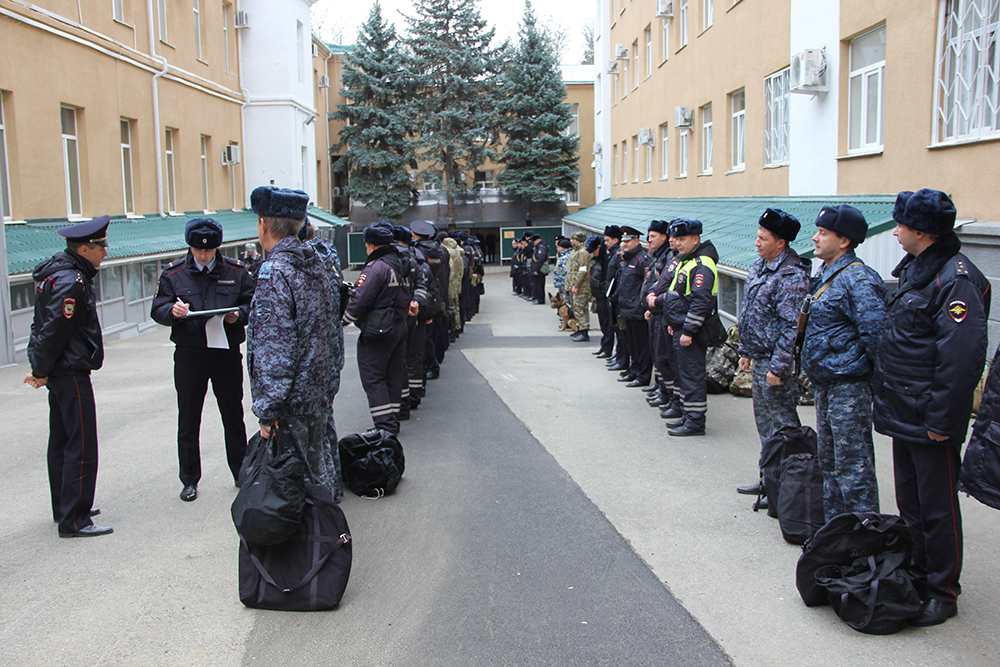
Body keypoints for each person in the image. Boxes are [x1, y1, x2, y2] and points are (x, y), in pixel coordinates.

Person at [873, 189, 991, 627]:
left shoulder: (955, 279)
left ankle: (942, 591)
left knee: (937, 508)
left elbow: (961, 359)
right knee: (913, 502)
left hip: (931, 418)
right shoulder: (918, 271)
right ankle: (918, 572)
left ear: (921, 231)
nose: (896, 231)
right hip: (906, 411)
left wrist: (942, 421)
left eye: (900, 225)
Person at [247, 185, 342, 501]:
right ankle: (327, 543)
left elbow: (276, 349)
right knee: (316, 478)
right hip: (315, 394)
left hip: (289, 404)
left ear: (263, 224)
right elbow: (328, 331)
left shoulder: (275, 271)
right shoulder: (313, 263)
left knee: (291, 492)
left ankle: (315, 548)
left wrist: (267, 410)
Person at [151, 218, 255, 502]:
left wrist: (239, 316)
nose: (204, 256)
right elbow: (157, 308)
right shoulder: (174, 273)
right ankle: (189, 479)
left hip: (225, 353)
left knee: (233, 415)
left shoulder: (236, 271)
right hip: (190, 353)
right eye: (198, 250)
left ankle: (241, 472)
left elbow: (252, 302)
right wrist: (171, 312)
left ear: (217, 248)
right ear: (190, 246)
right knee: (188, 417)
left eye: (209, 251)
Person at [25, 215, 113, 537]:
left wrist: (42, 367)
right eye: (101, 247)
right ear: (86, 248)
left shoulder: (57, 274)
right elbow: (53, 330)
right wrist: (40, 369)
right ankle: (75, 519)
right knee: (81, 443)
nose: (106, 253)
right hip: (70, 371)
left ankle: (64, 506)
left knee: (62, 441)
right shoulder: (71, 281)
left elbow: (41, 326)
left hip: (60, 370)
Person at [801, 205, 885, 522]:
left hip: (849, 388)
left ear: (845, 240)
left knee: (854, 468)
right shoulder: (826, 274)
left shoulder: (859, 279)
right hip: (827, 385)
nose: (815, 238)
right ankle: (836, 534)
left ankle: (865, 540)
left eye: (823, 233)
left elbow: (876, 336)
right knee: (831, 464)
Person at [735, 209, 811, 498]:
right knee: (765, 425)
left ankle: (793, 487)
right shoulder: (760, 266)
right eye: (757, 236)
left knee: (784, 427)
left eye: (763, 239)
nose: (757, 243)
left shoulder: (791, 275)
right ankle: (770, 481)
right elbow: (751, 312)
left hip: (775, 364)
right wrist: (745, 350)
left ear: (781, 243)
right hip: (760, 357)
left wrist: (779, 367)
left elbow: (792, 327)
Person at [344, 223, 416, 436]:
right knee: (393, 375)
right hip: (398, 326)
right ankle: (391, 423)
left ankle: (384, 426)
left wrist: (343, 320)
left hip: (378, 330)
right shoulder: (400, 264)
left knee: (373, 377)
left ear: (372, 246)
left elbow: (359, 300)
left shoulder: (376, 267)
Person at [662, 219, 719, 436]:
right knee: (684, 375)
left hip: (692, 333)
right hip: (680, 328)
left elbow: (701, 301)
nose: (679, 243)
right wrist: (674, 323)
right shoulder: (688, 260)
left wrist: (688, 330)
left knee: (692, 376)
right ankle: (688, 416)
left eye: (683, 239)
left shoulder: (701, 263)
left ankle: (695, 422)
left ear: (696, 240)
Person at [616, 225, 654, 387]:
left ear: (637, 241)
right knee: (632, 345)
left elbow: (646, 286)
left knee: (642, 346)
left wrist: (643, 307)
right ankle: (634, 370)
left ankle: (643, 376)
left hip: (637, 311)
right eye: (623, 241)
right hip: (627, 309)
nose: (625, 244)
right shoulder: (628, 259)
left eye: (628, 240)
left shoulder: (642, 259)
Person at [641, 220, 674, 400]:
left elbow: (665, 286)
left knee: (663, 356)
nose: (649, 240)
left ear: (664, 237)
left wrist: (655, 305)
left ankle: (667, 393)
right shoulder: (658, 256)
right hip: (655, 311)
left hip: (663, 311)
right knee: (657, 353)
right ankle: (660, 387)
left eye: (653, 236)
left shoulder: (668, 257)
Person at [565, 231, 593, 342]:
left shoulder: (583, 253)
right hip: (574, 286)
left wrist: (576, 285)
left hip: (582, 287)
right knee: (576, 308)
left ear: (578, 240)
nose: (571, 241)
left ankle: (584, 331)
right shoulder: (575, 251)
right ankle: (580, 329)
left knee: (580, 309)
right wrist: (568, 285)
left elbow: (582, 271)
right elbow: (571, 270)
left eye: (573, 239)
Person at [588, 236, 611, 356]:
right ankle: (604, 346)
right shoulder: (598, 259)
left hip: (603, 295)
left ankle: (607, 349)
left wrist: (602, 289)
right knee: (603, 324)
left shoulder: (606, 259)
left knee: (607, 325)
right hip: (598, 295)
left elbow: (607, 278)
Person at [529, 233, 549, 305]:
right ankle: (538, 298)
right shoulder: (539, 247)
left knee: (539, 285)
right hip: (538, 269)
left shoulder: (541, 247)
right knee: (537, 284)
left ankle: (541, 299)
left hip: (540, 270)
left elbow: (540, 259)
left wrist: (536, 269)